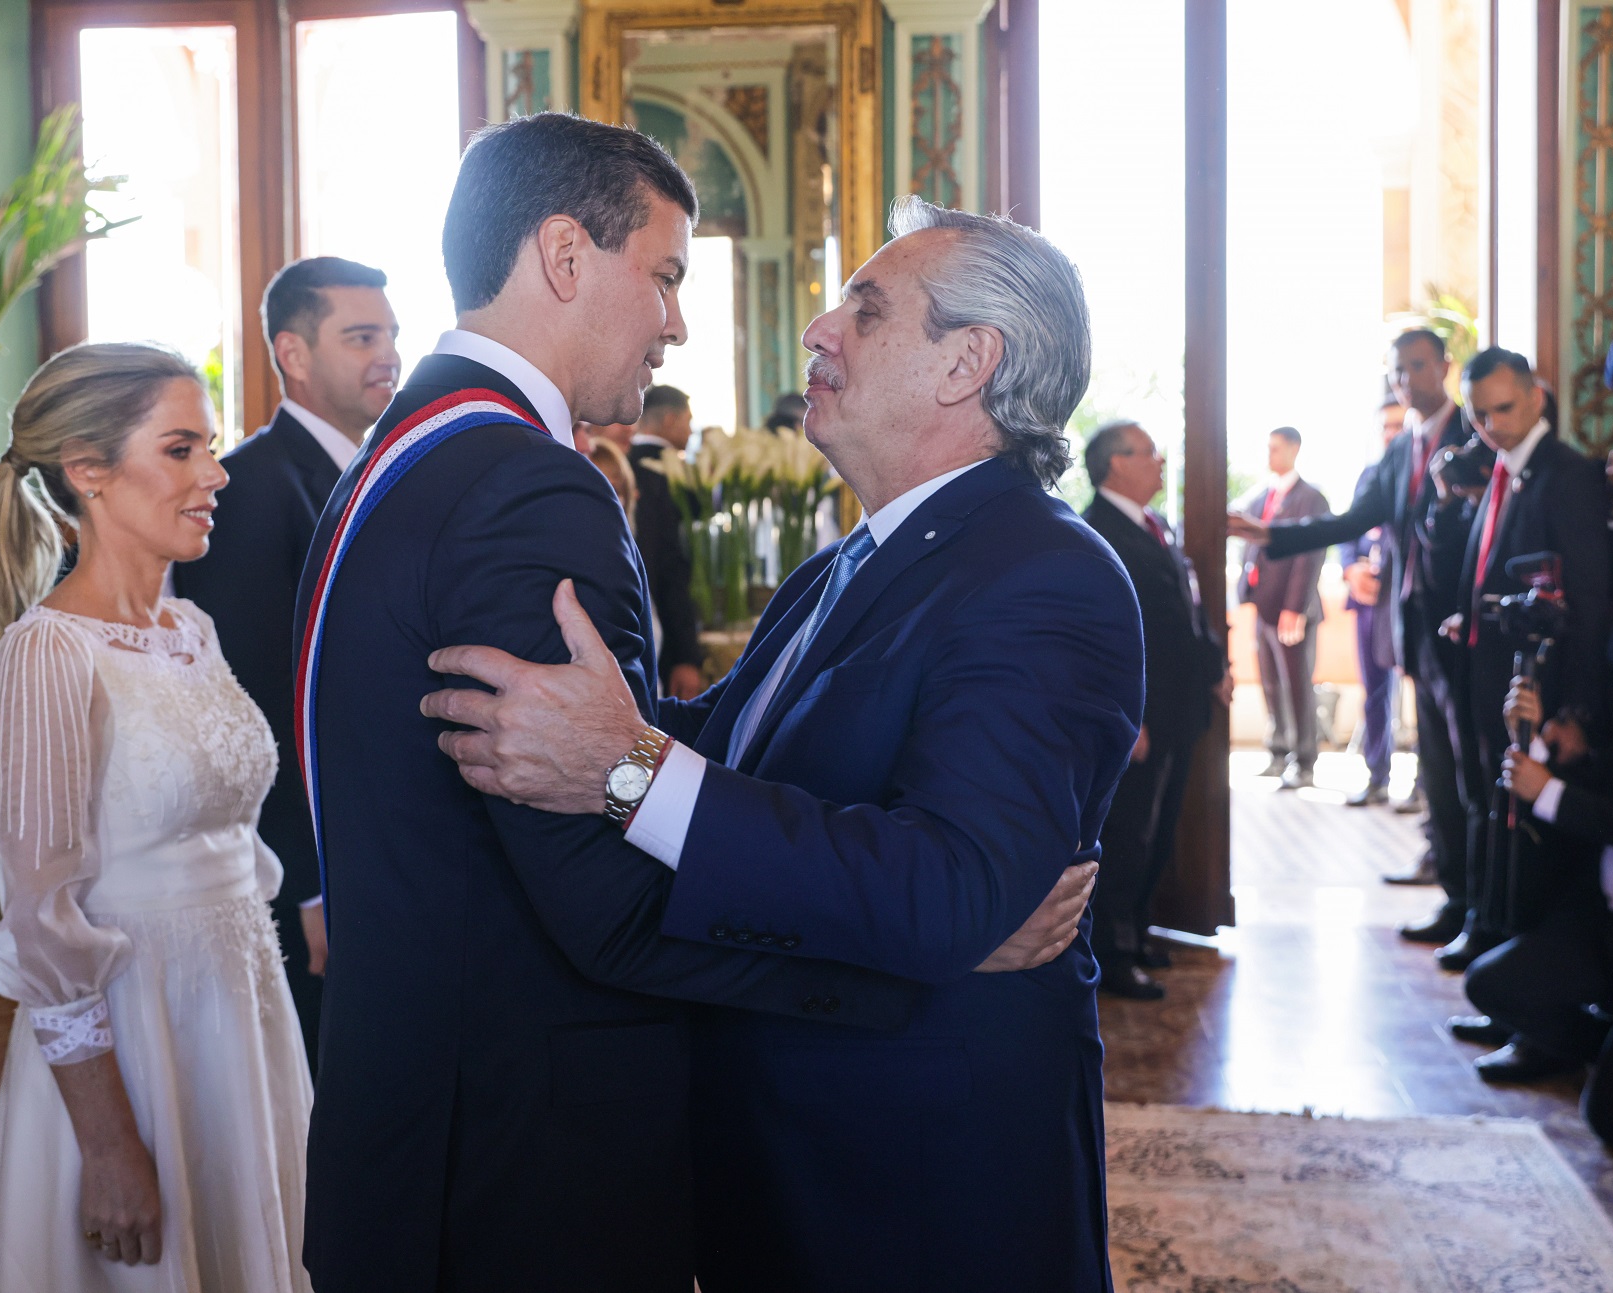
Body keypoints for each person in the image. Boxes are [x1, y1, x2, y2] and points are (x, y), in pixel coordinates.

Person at [291, 116, 1098, 1292]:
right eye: (665, 275)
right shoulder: (541, 488)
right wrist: (933, 951)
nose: (811, 328)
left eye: (863, 311)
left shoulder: (1039, 573)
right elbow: (618, 887)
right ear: (566, 257)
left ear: (966, 363)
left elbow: (687, 763)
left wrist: (626, 761)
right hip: (515, 1159)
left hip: (903, 1188)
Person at [0, 343, 311, 1289]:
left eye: (209, 446)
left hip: (237, 1021)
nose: (215, 473)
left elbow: (232, 835)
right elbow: (40, 924)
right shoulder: (48, 657)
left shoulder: (189, 630)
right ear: (89, 472)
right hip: (132, 1042)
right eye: (182, 449)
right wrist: (111, 1144)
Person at [174, 256, 399, 1072]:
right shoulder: (256, 489)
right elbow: (255, 704)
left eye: (392, 334)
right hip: (307, 875)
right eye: (362, 336)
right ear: (294, 355)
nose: (389, 356)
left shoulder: (369, 471)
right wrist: (308, 884)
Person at [1234, 331, 1475, 941]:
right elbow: (1352, 520)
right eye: (1398, 371)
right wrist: (1268, 536)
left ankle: (1485, 909)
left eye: (1418, 367)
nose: (1408, 380)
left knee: (1472, 764)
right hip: (1415, 625)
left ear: (1444, 367)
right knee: (1443, 767)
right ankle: (1455, 899)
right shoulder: (1400, 452)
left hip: (1470, 626)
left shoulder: (1475, 435)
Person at [1437, 348, 1612, 968]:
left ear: (1537, 395)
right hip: (1496, 677)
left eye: (1503, 409)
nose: (1491, 425)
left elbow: (1589, 602)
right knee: (1492, 807)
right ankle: (1490, 940)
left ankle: (1520, 979)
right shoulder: (1506, 470)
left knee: (1533, 836)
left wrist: (1577, 709)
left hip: (1545, 692)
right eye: (1479, 415)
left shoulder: (1566, 475)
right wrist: (1475, 616)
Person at [1082, 421, 1228, 1001]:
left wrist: (1214, 668)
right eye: (1147, 453)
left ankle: (1138, 933)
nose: (1160, 460)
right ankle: (1112, 954)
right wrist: (1127, 715)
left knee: (1159, 831)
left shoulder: (1155, 524)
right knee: (1125, 837)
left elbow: (1185, 609)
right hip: (1137, 718)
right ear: (1115, 464)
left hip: (1179, 707)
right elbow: (1102, 637)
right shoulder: (1097, 531)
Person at [1457, 680, 1613, 1145]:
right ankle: (1604, 1046)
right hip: (1608, 921)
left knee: (1609, 1120)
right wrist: (1535, 744)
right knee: (1490, 984)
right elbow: (1602, 786)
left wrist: (1550, 790)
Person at [1233, 427, 1330, 788]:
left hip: (1293, 612)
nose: (1269, 455)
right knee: (1271, 683)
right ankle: (1277, 752)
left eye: (1275, 448)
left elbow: (1309, 558)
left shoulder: (1312, 499)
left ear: (1294, 449)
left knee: (1297, 685)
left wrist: (1296, 608)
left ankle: (1304, 761)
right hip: (1264, 609)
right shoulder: (1261, 497)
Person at [1339, 397, 1409, 807]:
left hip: (1405, 600)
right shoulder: (1370, 473)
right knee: (1374, 692)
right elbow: (1349, 532)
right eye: (1385, 426)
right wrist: (1351, 570)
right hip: (1368, 603)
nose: (1391, 433)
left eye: (1398, 425)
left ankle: (1422, 788)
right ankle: (1376, 775)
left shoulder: (1426, 468)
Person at [628, 384, 707, 698]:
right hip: (664, 634)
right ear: (671, 420)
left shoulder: (621, 465)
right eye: (688, 421)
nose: (690, 431)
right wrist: (686, 654)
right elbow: (670, 565)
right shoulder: (669, 476)